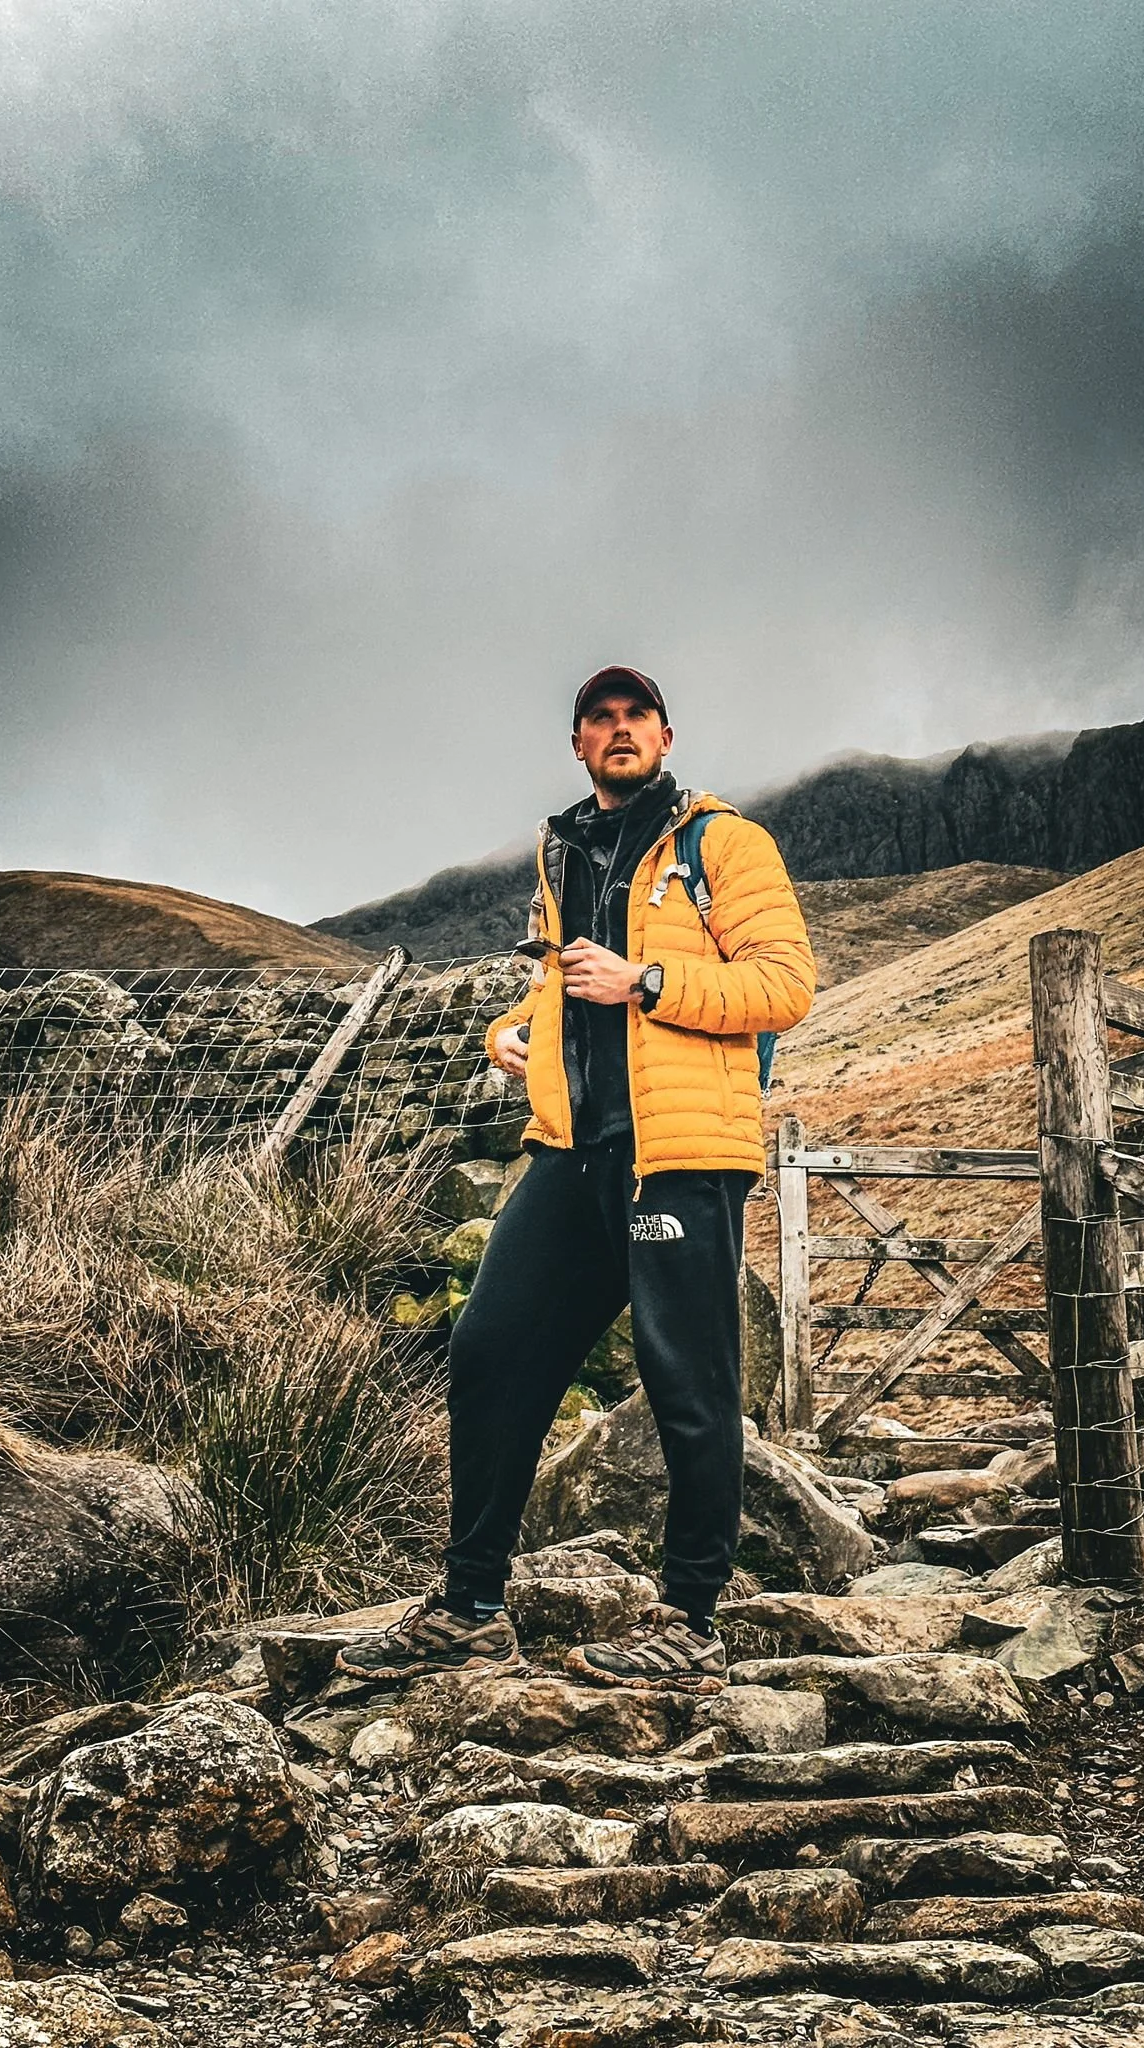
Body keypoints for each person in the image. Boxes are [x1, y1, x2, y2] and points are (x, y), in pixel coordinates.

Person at [337, 666, 815, 1692]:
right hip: (572, 1152)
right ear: (578, 746)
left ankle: (689, 1619)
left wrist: (646, 980)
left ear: (667, 733)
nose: (619, 728)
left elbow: (785, 984)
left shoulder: (721, 842)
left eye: (635, 714)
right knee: (491, 1345)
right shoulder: (565, 851)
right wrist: (515, 1031)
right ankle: (470, 1605)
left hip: (679, 1156)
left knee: (689, 1380)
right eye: (600, 718)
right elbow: (560, 983)